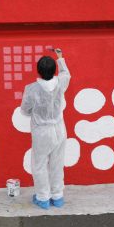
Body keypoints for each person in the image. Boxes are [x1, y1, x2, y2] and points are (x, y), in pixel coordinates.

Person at [20, 48, 71, 209]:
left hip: (41, 131)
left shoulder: (31, 89)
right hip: (59, 129)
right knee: (57, 162)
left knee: (40, 164)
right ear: (54, 70)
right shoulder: (60, 83)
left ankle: (43, 198)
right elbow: (66, 74)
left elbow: (25, 110)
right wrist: (60, 57)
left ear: (38, 71)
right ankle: (57, 196)